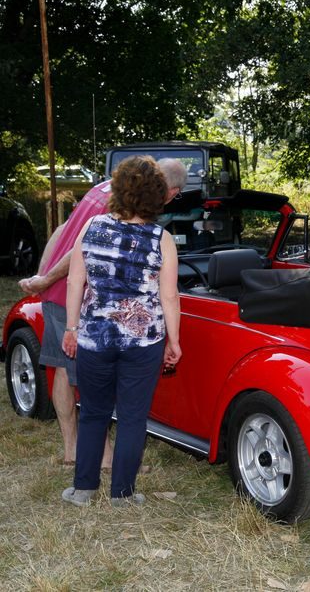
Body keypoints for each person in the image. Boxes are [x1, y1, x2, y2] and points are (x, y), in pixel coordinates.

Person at [19, 159, 187, 466]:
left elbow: (62, 230)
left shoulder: (103, 188)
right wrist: (46, 279)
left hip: (60, 294)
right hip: (77, 295)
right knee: (86, 383)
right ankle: (105, 457)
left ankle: (73, 450)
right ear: (169, 190)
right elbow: (78, 252)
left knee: (64, 372)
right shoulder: (126, 205)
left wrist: (43, 275)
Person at [60, 156, 182, 506]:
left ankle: (83, 490)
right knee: (131, 416)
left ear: (117, 190)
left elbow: (75, 282)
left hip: (94, 338)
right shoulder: (163, 239)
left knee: (94, 412)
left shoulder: (92, 227)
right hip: (144, 342)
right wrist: (174, 340)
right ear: (157, 196)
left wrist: (71, 327)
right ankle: (123, 494)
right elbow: (170, 296)